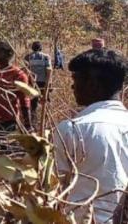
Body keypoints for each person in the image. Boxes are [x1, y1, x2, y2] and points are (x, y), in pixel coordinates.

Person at [54, 48, 128, 224]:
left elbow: (53, 186)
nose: (73, 87)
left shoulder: (72, 129)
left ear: (93, 84)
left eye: (76, 79)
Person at [24, 41, 52, 118]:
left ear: (32, 48)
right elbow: (49, 70)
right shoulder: (46, 57)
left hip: (32, 82)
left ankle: (33, 118)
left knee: (33, 103)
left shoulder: (28, 57)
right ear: (41, 48)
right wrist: (49, 83)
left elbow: (25, 70)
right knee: (46, 101)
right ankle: (46, 117)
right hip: (44, 82)